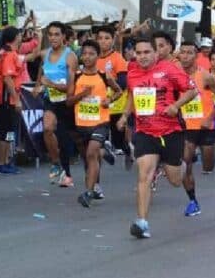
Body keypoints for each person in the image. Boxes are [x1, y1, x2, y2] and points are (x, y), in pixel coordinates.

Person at [117, 37, 197, 239]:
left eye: (147, 52)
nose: (142, 56)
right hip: (145, 131)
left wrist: (176, 106)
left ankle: (182, 167)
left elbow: (192, 90)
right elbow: (132, 96)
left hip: (170, 131)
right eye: (139, 52)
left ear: (155, 53)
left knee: (175, 180)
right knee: (144, 174)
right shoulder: (132, 72)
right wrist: (125, 116)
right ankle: (142, 222)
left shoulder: (169, 69)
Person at [67, 40, 122, 207]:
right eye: (84, 54)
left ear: (98, 56)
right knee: (89, 158)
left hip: (101, 123)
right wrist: (82, 94)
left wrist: (109, 100)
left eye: (91, 54)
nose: (87, 57)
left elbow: (119, 91)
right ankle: (104, 153)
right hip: (82, 124)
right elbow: (68, 102)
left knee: (91, 153)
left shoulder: (104, 76)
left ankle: (88, 193)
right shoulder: (75, 76)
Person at [177, 42, 215, 217]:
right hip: (185, 127)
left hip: (205, 126)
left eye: (189, 53)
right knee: (185, 163)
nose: (185, 56)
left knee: (208, 166)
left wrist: (210, 117)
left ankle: (204, 152)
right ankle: (192, 200)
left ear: (196, 55)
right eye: (182, 52)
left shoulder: (205, 77)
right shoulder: (174, 75)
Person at [34, 22, 79, 187]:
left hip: (66, 102)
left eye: (56, 34)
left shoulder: (70, 56)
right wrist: (39, 85)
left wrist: (51, 84)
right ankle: (55, 163)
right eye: (50, 34)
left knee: (70, 138)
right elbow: (42, 70)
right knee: (47, 128)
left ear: (63, 37)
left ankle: (71, 173)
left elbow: (71, 86)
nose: (53, 38)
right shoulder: (44, 54)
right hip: (50, 100)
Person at [0, 27, 26, 174]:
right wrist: (17, 100)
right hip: (6, 99)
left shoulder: (5, 52)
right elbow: (7, 78)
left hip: (6, 99)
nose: (21, 37)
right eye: (19, 35)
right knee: (5, 131)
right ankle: (1, 163)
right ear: (15, 37)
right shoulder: (8, 54)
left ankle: (6, 162)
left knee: (8, 131)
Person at [96, 25, 131, 168]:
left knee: (118, 139)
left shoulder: (117, 58)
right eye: (100, 38)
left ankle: (128, 151)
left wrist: (111, 89)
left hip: (116, 103)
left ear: (112, 40)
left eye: (107, 38)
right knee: (98, 133)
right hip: (98, 103)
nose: (103, 41)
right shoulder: (93, 58)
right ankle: (104, 151)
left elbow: (123, 83)